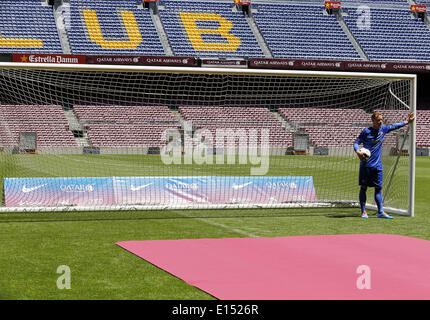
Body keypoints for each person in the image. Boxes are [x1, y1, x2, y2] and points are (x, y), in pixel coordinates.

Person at [353, 111, 415, 219]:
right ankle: (363, 211)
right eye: (378, 120)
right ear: (373, 121)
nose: (381, 122)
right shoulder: (366, 132)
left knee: (378, 188)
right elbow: (356, 143)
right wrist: (358, 151)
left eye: (381, 120)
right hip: (365, 165)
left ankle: (380, 211)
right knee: (364, 187)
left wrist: (407, 122)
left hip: (377, 166)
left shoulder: (383, 130)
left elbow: (394, 126)